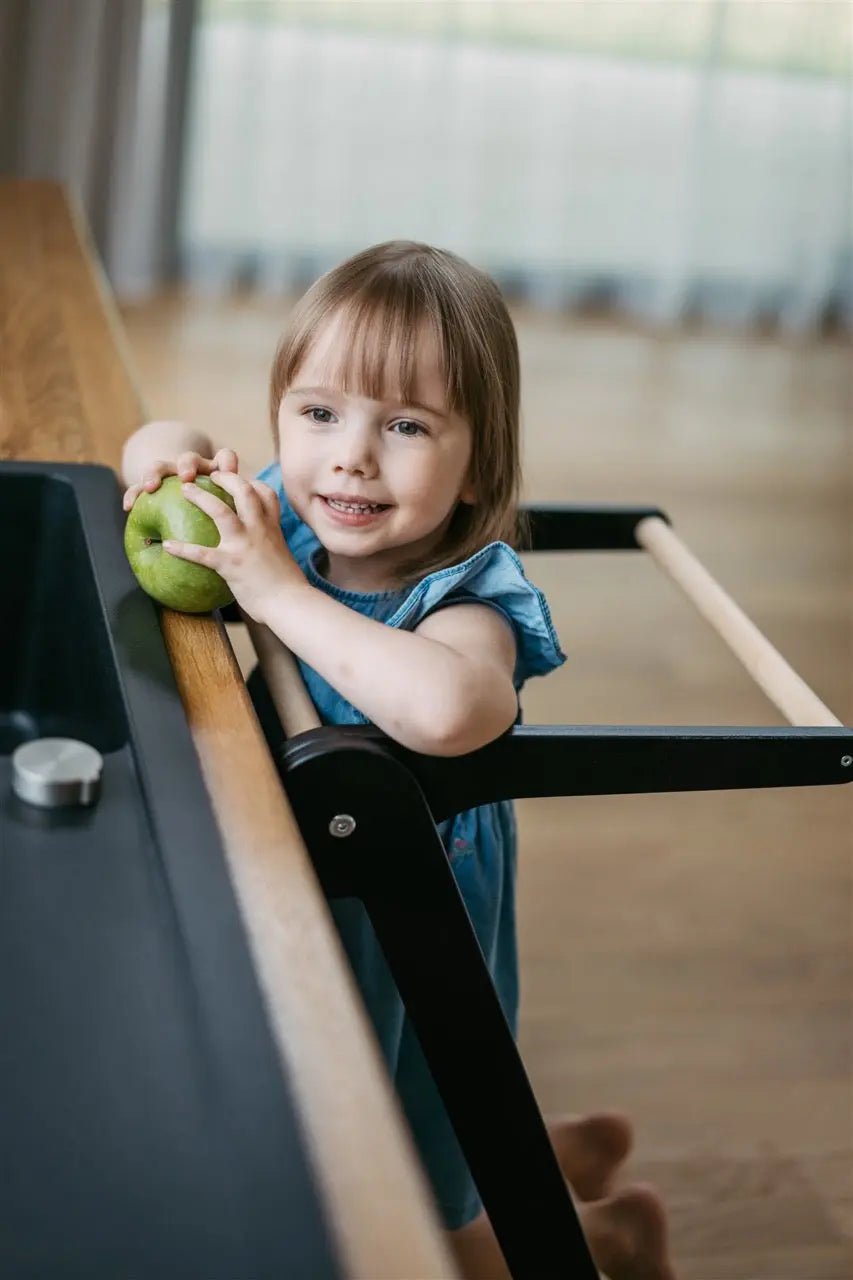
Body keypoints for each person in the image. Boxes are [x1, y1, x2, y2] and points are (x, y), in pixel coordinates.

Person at [121, 241, 675, 1280]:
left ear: (477, 467)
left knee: (383, 1180)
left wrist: (278, 594)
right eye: (319, 410)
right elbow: (174, 434)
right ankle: (576, 1160)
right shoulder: (289, 504)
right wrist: (163, 457)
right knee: (416, 1113)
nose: (350, 457)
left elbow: (450, 706)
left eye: (407, 425)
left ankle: (603, 1234)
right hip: (313, 860)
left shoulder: (467, 596)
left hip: (403, 900)